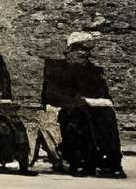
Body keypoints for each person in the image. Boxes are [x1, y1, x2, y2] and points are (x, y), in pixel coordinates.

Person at [51, 29, 125, 177]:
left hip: (93, 108)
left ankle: (110, 162)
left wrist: (98, 101)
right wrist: (76, 101)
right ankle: (79, 161)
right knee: (77, 117)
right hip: (69, 108)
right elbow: (54, 95)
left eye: (85, 50)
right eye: (78, 49)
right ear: (69, 51)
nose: (82, 53)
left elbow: (104, 94)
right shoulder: (59, 70)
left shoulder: (93, 71)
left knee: (107, 116)